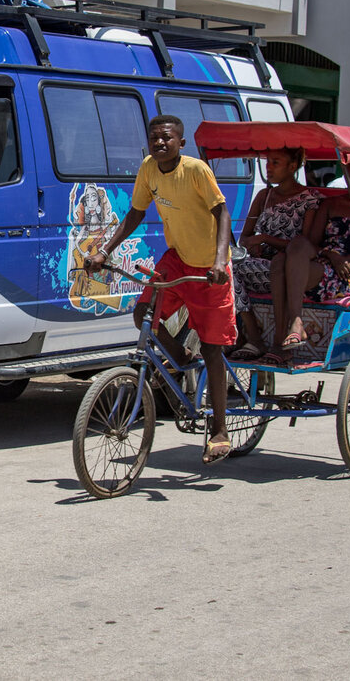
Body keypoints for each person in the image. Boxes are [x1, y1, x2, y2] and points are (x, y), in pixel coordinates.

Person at [85, 115, 237, 465]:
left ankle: (219, 430)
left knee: (213, 350)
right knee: (143, 314)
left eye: (167, 138)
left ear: (181, 143)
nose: (160, 143)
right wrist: (104, 250)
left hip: (210, 269)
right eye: (154, 138)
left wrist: (218, 261)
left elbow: (223, 213)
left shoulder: (196, 170)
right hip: (178, 259)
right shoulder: (149, 169)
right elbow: (135, 214)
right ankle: (183, 360)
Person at [269, 158, 350, 362]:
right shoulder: (330, 203)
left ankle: (289, 331)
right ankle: (288, 330)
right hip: (326, 263)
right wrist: (333, 257)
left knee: (283, 265)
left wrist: (346, 260)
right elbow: (312, 243)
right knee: (286, 254)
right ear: (347, 171)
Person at [229, 148, 322, 361]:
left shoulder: (309, 199)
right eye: (268, 162)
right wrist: (252, 244)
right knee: (225, 266)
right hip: (260, 266)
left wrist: (265, 239)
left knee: (280, 262)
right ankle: (252, 334)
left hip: (292, 269)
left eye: (275, 163)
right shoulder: (264, 196)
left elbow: (306, 244)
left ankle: (276, 336)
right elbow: (245, 238)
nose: (269, 168)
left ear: (292, 167)